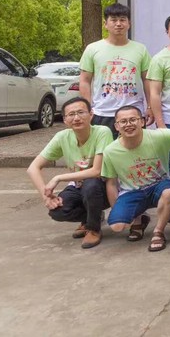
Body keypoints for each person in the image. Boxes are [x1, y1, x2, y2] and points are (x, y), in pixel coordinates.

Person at [26, 97, 114, 249]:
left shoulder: (102, 132)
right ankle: (92, 216)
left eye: (81, 112)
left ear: (91, 115)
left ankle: (93, 228)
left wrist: (59, 177)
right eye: (71, 114)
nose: (76, 118)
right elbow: (32, 168)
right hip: (78, 186)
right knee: (57, 211)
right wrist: (46, 196)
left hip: (103, 187)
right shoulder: (62, 137)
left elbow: (96, 171)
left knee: (91, 185)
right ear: (65, 120)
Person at [101, 105, 170, 252]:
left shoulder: (157, 136)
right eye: (123, 121)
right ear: (116, 126)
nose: (128, 124)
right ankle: (139, 219)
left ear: (142, 122)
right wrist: (117, 209)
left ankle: (158, 232)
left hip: (159, 185)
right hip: (132, 191)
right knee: (117, 226)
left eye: (133, 120)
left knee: (169, 192)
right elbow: (111, 183)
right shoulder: (110, 151)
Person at [79, 3, 152, 137]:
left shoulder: (140, 49)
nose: (118, 24)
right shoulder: (93, 49)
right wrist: (87, 108)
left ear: (129, 24)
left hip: (133, 112)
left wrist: (150, 107)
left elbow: (147, 80)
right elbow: (84, 80)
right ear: (105, 24)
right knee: (104, 149)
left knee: (135, 149)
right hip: (102, 112)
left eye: (122, 20)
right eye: (113, 20)